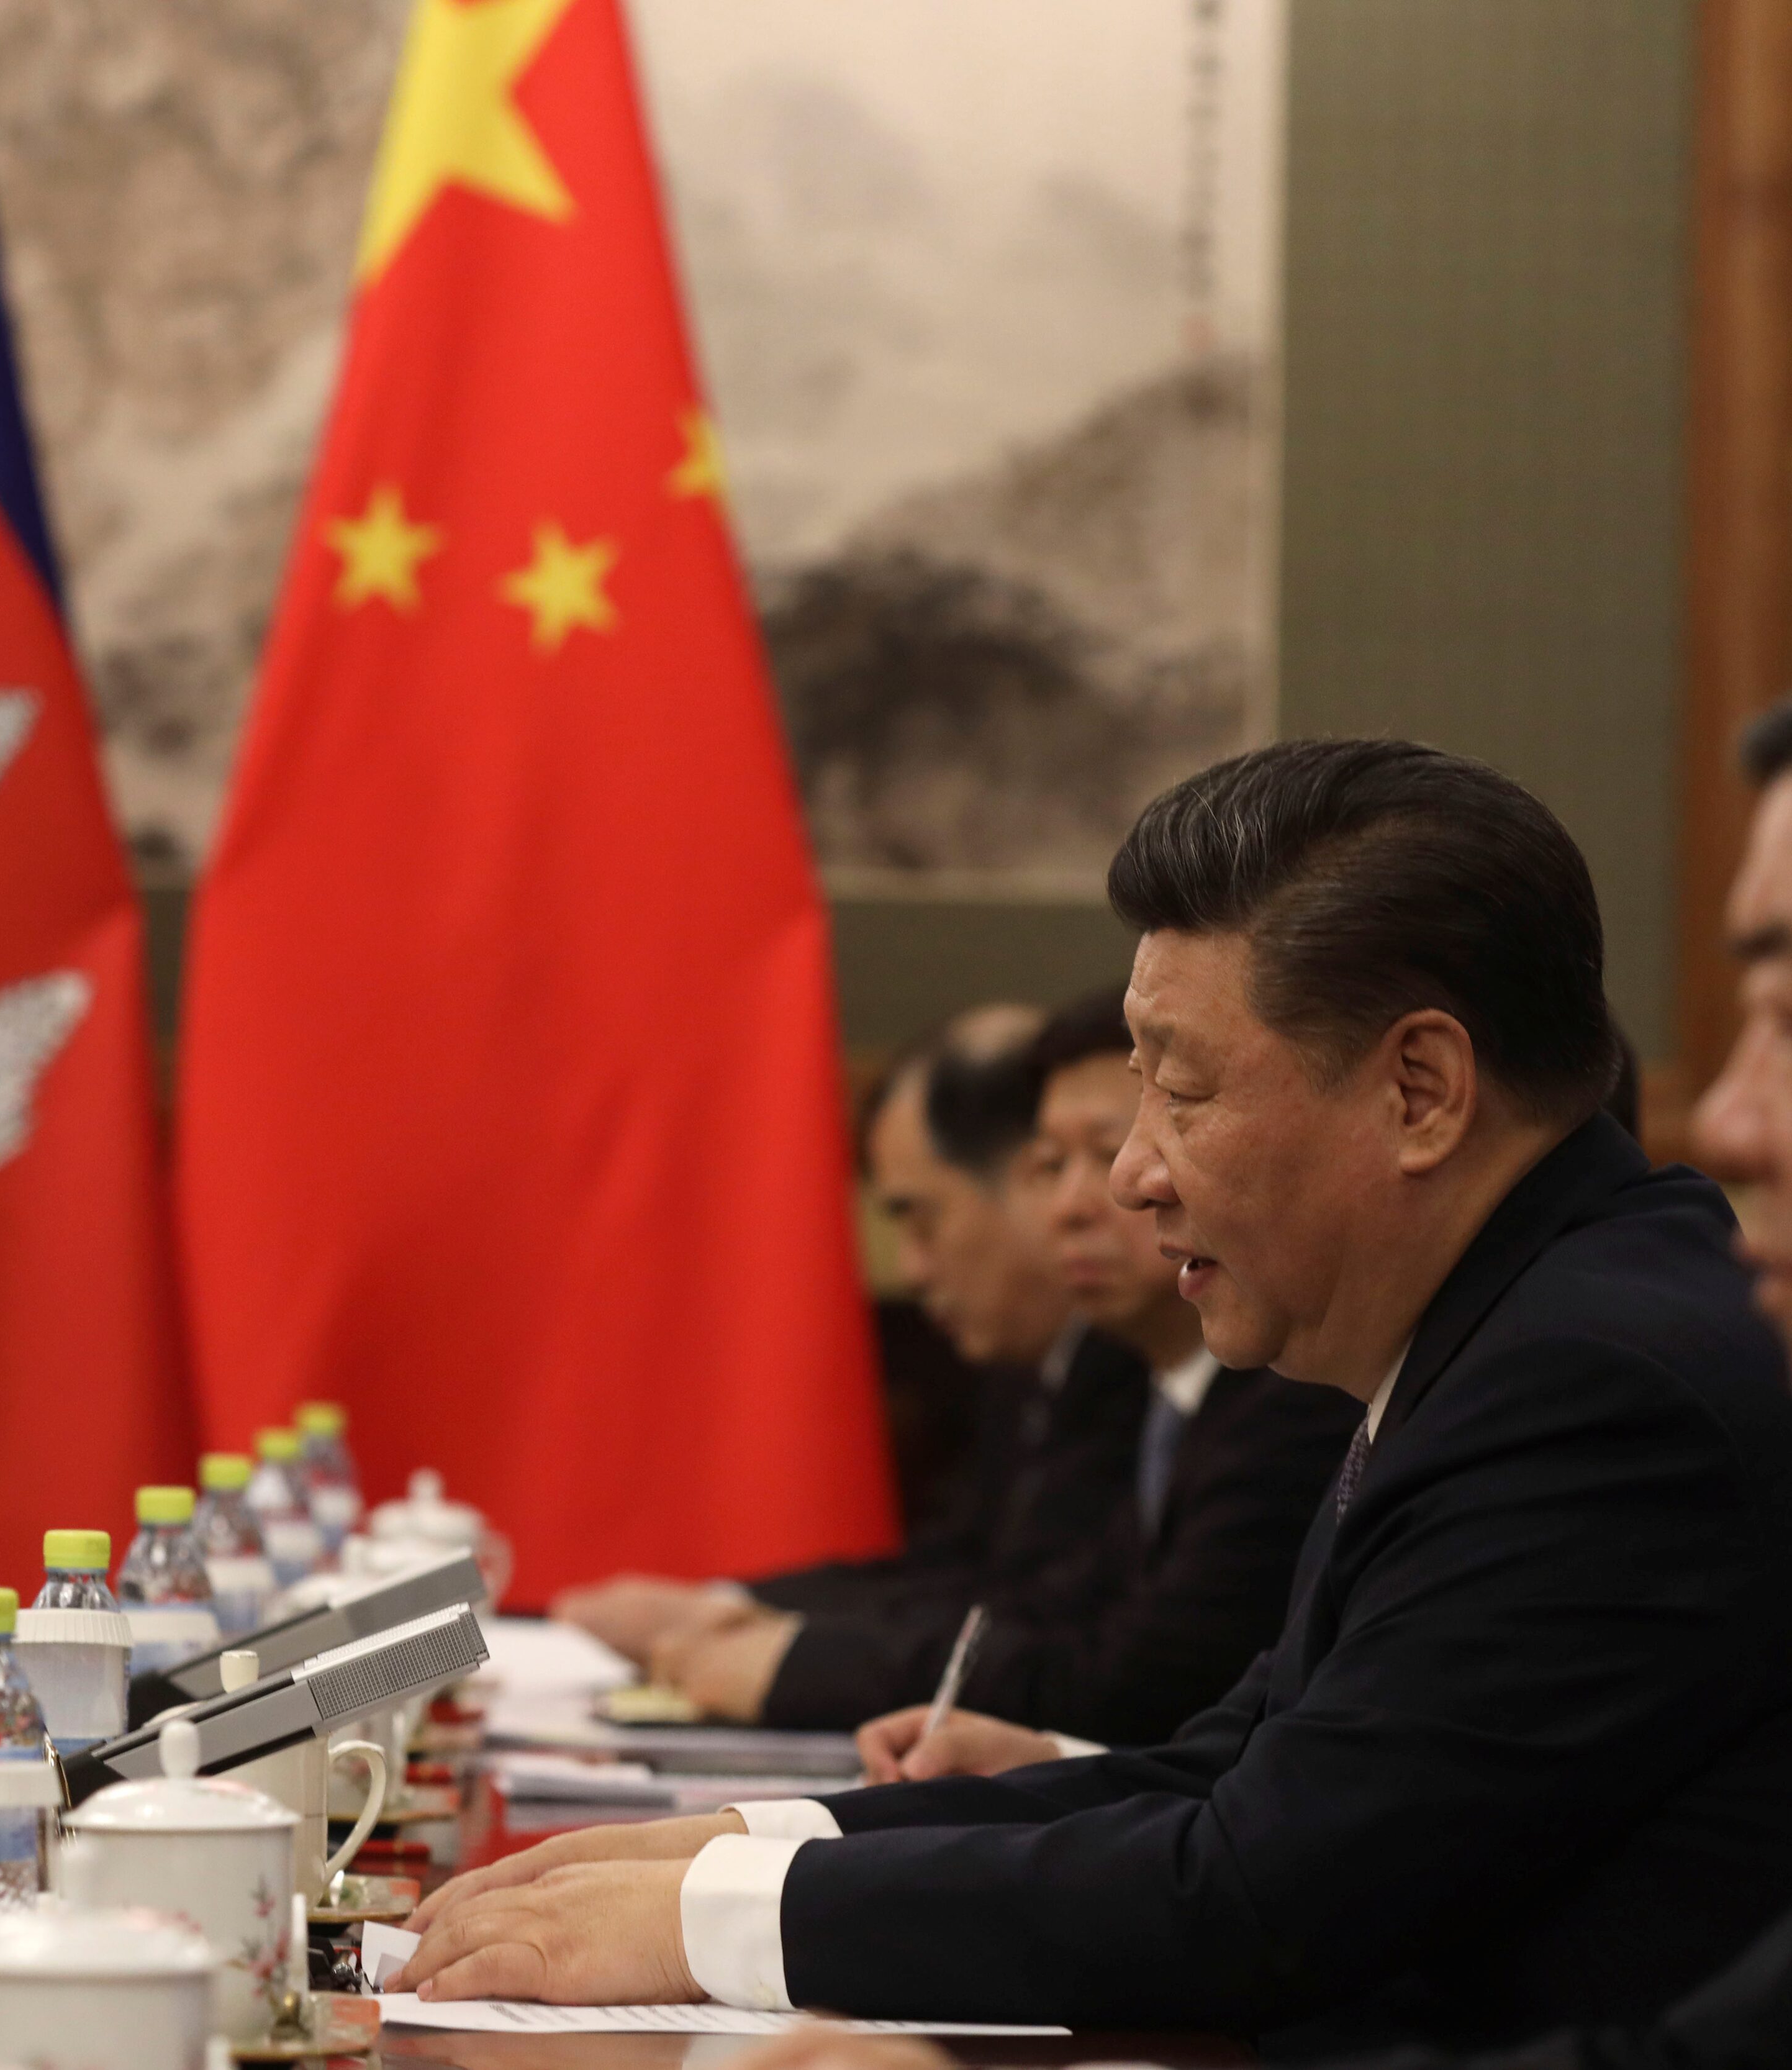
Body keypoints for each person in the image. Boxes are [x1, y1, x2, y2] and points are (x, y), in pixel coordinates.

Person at [405, 738, 1792, 2055]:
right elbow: (1230, 1768)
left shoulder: (1592, 1382)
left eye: (1180, 1091)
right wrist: (747, 1846)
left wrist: (714, 1921)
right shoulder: (1505, 1319)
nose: (1132, 1174)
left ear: (1419, 1091)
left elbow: (1256, 1890)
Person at [685, 989, 1361, 1745]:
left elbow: (1151, 1682)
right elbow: (1029, 1600)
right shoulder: (1139, 1385)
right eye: (1048, 1165)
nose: (1071, 1205)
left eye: (1107, 1152)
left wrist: (802, 1663)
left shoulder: (1290, 1396)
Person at [556, 1006, 1145, 1684]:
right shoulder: (1033, 1374)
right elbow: (959, 1574)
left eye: (921, 1219)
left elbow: (1110, 1658)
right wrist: (733, 1611)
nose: (913, 1270)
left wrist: (773, 1659)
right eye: (1059, 1166)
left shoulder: (1150, 1371)